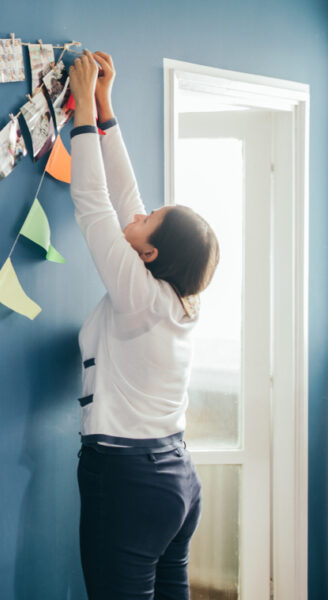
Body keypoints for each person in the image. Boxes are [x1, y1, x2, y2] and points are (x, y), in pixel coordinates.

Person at [68, 49, 220, 599]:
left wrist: (82, 107)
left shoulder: (139, 296)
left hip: (128, 482)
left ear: (152, 253)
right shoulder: (172, 299)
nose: (139, 213)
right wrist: (106, 107)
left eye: (151, 220)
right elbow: (126, 199)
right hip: (175, 481)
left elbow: (93, 202)